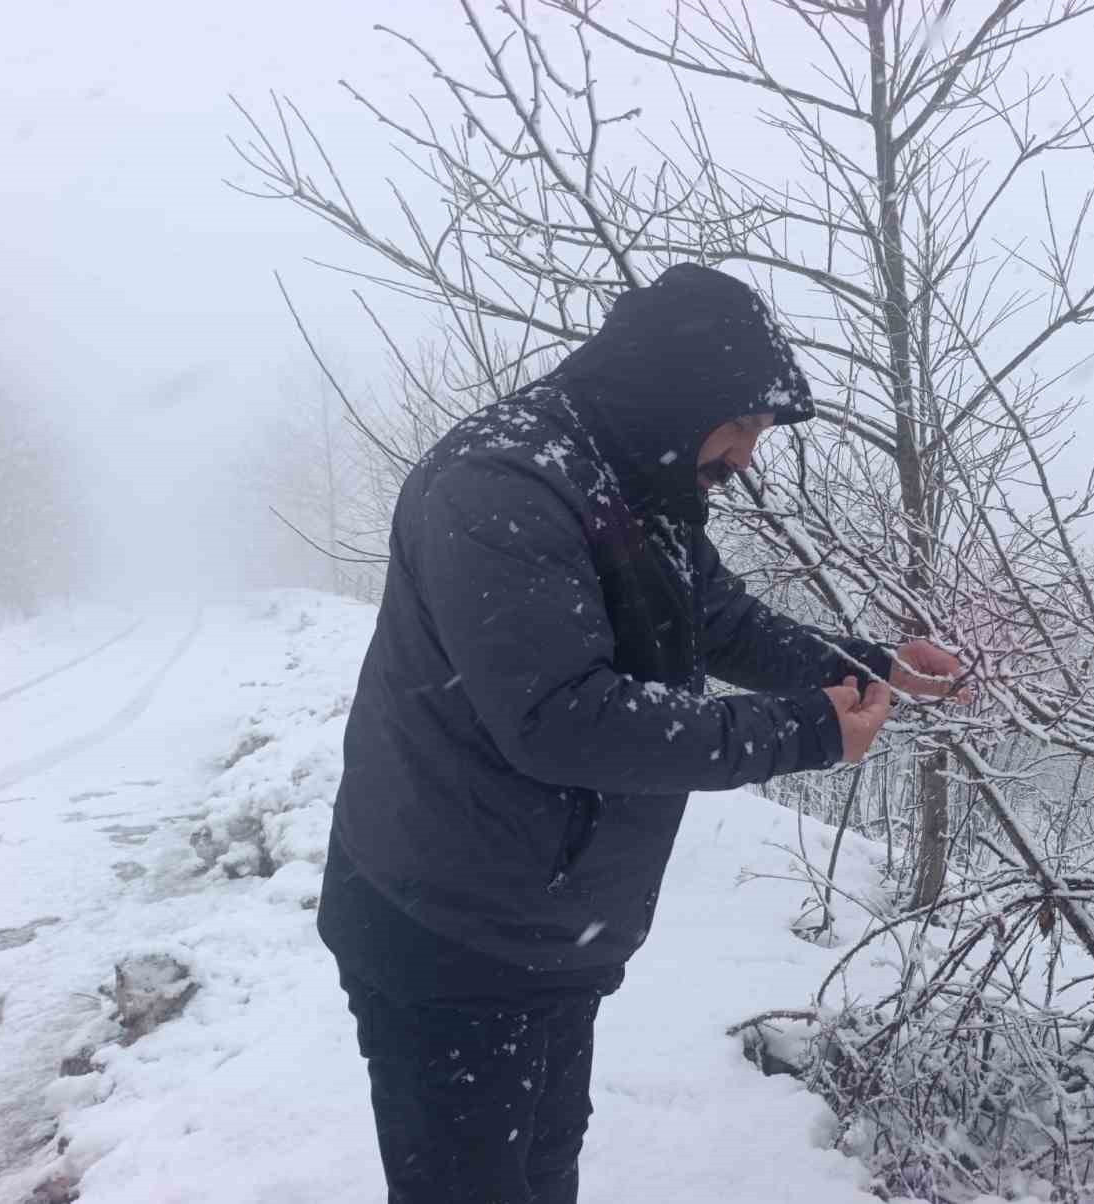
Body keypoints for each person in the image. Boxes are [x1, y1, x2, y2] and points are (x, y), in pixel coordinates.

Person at [318, 263, 965, 1203]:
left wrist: (868, 665)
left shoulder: (633, 481)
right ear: (679, 393)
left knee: (543, 1167)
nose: (748, 455)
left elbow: (723, 621)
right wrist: (803, 733)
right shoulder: (499, 485)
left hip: (547, 929)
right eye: (742, 425)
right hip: (444, 936)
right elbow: (560, 721)